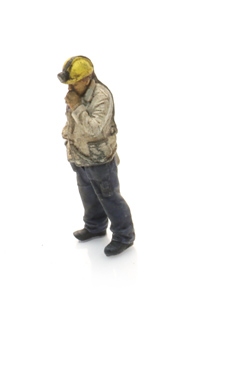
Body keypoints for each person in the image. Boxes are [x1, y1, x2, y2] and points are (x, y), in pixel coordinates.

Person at [58, 56, 135, 256]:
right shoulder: (77, 93)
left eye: (74, 83)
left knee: (109, 197)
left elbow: (94, 128)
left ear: (87, 79)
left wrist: (76, 106)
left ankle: (124, 236)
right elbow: (73, 122)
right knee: (88, 194)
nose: (70, 88)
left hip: (99, 160)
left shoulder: (101, 96)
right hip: (80, 156)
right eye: (69, 84)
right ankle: (95, 226)